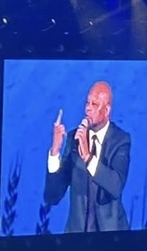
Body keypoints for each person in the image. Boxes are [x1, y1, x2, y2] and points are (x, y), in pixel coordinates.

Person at [44, 80, 131, 232]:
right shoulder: (74, 139)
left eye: (94, 104)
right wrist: (55, 151)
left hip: (112, 234)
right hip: (77, 234)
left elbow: (116, 186)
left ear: (107, 110)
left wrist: (87, 157)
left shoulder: (120, 140)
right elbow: (53, 197)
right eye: (87, 103)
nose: (88, 109)